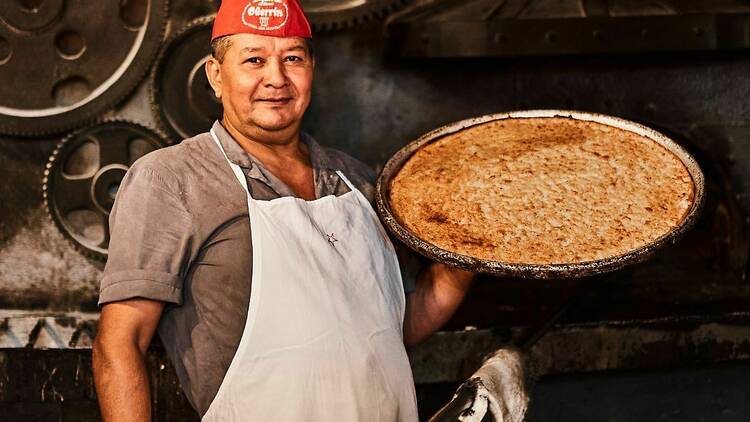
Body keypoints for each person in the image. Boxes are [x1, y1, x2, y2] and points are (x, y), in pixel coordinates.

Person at [92, 0, 476, 420]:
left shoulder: (358, 181)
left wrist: (463, 259)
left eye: (292, 58)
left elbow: (391, 330)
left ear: (312, 69)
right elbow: (119, 345)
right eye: (253, 60)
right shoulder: (172, 180)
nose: (275, 79)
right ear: (216, 76)